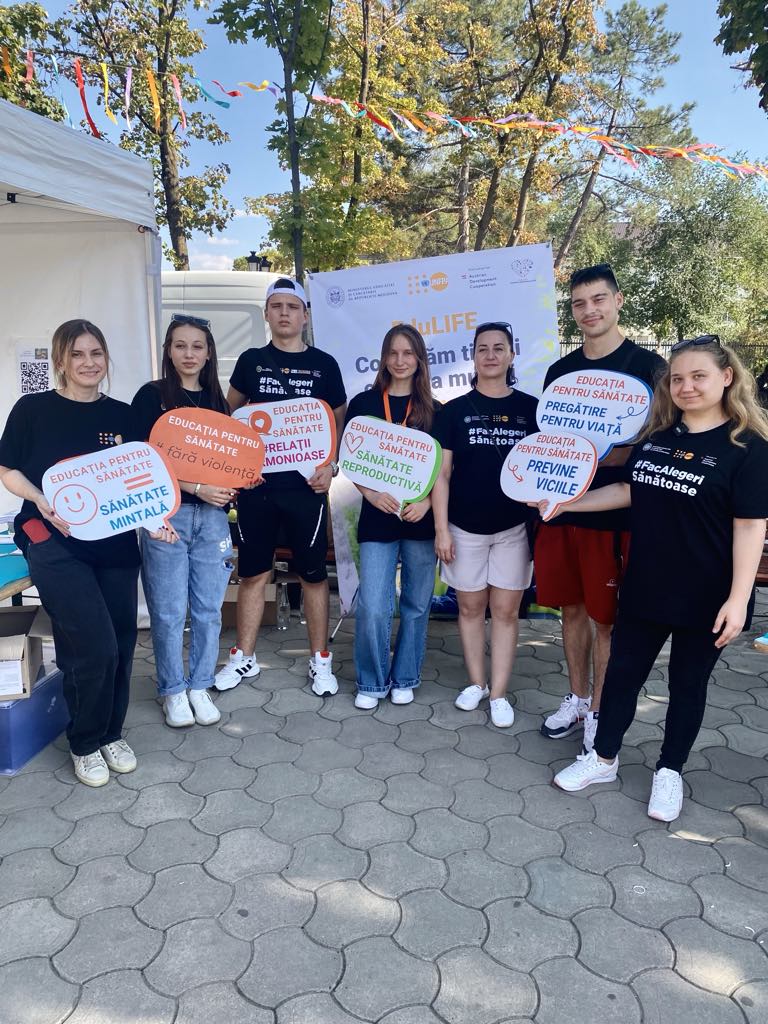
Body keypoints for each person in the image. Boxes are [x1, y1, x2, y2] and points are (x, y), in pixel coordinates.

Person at [550, 336, 768, 821]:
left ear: (726, 377)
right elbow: (630, 490)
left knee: (687, 686)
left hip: (709, 595)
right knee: (623, 675)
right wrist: (569, 504)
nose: (686, 386)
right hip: (647, 583)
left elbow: (751, 526)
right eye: (678, 378)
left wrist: (738, 598)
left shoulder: (748, 448)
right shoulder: (658, 435)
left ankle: (670, 771)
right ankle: (603, 758)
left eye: (698, 376)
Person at [0, 320, 149, 787]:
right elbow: (8, 470)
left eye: (97, 354)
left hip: (115, 546)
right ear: (60, 360)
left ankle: (110, 733)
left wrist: (155, 515)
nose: (89, 363)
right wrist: (41, 500)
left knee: (121, 644)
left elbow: (140, 479)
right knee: (94, 645)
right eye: (78, 354)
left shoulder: (124, 416)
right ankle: (84, 742)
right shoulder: (33, 409)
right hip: (54, 542)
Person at [535, 264, 665, 752]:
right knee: (570, 610)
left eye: (598, 300)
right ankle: (576, 696)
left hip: (613, 516)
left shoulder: (648, 367)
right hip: (562, 509)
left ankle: (600, 712)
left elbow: (653, 447)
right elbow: (550, 444)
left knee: (605, 619)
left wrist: (608, 454)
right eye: (579, 303)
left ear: (618, 300)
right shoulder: (561, 372)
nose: (589, 310)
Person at [214, 278, 347, 695]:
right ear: (267, 314)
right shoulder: (251, 361)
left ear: (305, 316)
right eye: (277, 306)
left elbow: (336, 423)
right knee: (254, 572)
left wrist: (332, 466)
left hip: (306, 489)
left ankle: (319, 661)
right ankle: (244, 657)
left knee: (312, 575)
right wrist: (235, 468)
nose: (285, 313)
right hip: (257, 488)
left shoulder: (325, 364)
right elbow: (229, 416)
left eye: (293, 307)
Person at [432, 321, 538, 727]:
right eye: (482, 348)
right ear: (473, 356)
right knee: (470, 607)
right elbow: (441, 475)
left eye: (499, 348)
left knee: (506, 612)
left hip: (514, 529)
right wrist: (442, 529)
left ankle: (499, 693)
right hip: (463, 528)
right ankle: (476, 683)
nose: (490, 355)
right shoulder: (454, 411)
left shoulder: (532, 409)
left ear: (512, 355)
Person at [131, 314, 234, 728]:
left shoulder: (217, 401)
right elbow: (142, 462)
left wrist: (240, 480)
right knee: (169, 611)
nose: (189, 354)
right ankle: (173, 691)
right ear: (168, 351)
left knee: (209, 609)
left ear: (208, 353)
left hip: (212, 520)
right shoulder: (150, 397)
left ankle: (200, 685)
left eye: (197, 346)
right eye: (180, 345)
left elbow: (227, 462)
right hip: (166, 518)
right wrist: (195, 488)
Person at [345, 324, 439, 709]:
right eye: (393, 353)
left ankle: (405, 677)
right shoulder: (364, 405)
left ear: (419, 360)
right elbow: (350, 460)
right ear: (384, 358)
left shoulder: (436, 411)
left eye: (408, 353)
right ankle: (371, 681)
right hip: (377, 519)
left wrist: (429, 503)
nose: (400, 361)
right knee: (373, 605)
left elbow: (444, 470)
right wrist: (370, 492)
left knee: (417, 605)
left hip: (420, 522)